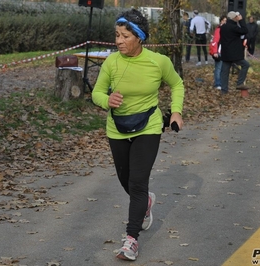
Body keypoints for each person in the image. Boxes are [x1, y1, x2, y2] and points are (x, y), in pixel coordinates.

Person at [91, 8, 184, 261]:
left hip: (149, 126)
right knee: (126, 180)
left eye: (124, 36)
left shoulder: (158, 61)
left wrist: (175, 111)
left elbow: (176, 84)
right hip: (117, 128)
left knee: (137, 182)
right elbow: (96, 93)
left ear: (139, 37)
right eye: (117, 35)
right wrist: (106, 100)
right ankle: (145, 203)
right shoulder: (111, 62)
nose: (119, 41)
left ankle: (131, 240)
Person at [219, 11, 249, 94]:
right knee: (245, 65)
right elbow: (245, 30)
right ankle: (239, 83)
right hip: (234, 53)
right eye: (237, 17)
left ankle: (224, 90)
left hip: (225, 53)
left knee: (225, 72)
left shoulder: (223, 27)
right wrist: (241, 20)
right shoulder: (234, 27)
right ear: (234, 18)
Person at [209, 15, 227, 90]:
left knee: (222, 68)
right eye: (224, 20)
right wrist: (215, 51)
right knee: (218, 68)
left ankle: (221, 83)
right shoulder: (218, 29)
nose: (225, 22)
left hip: (224, 51)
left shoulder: (224, 29)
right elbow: (215, 41)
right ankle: (218, 83)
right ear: (221, 21)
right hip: (219, 51)